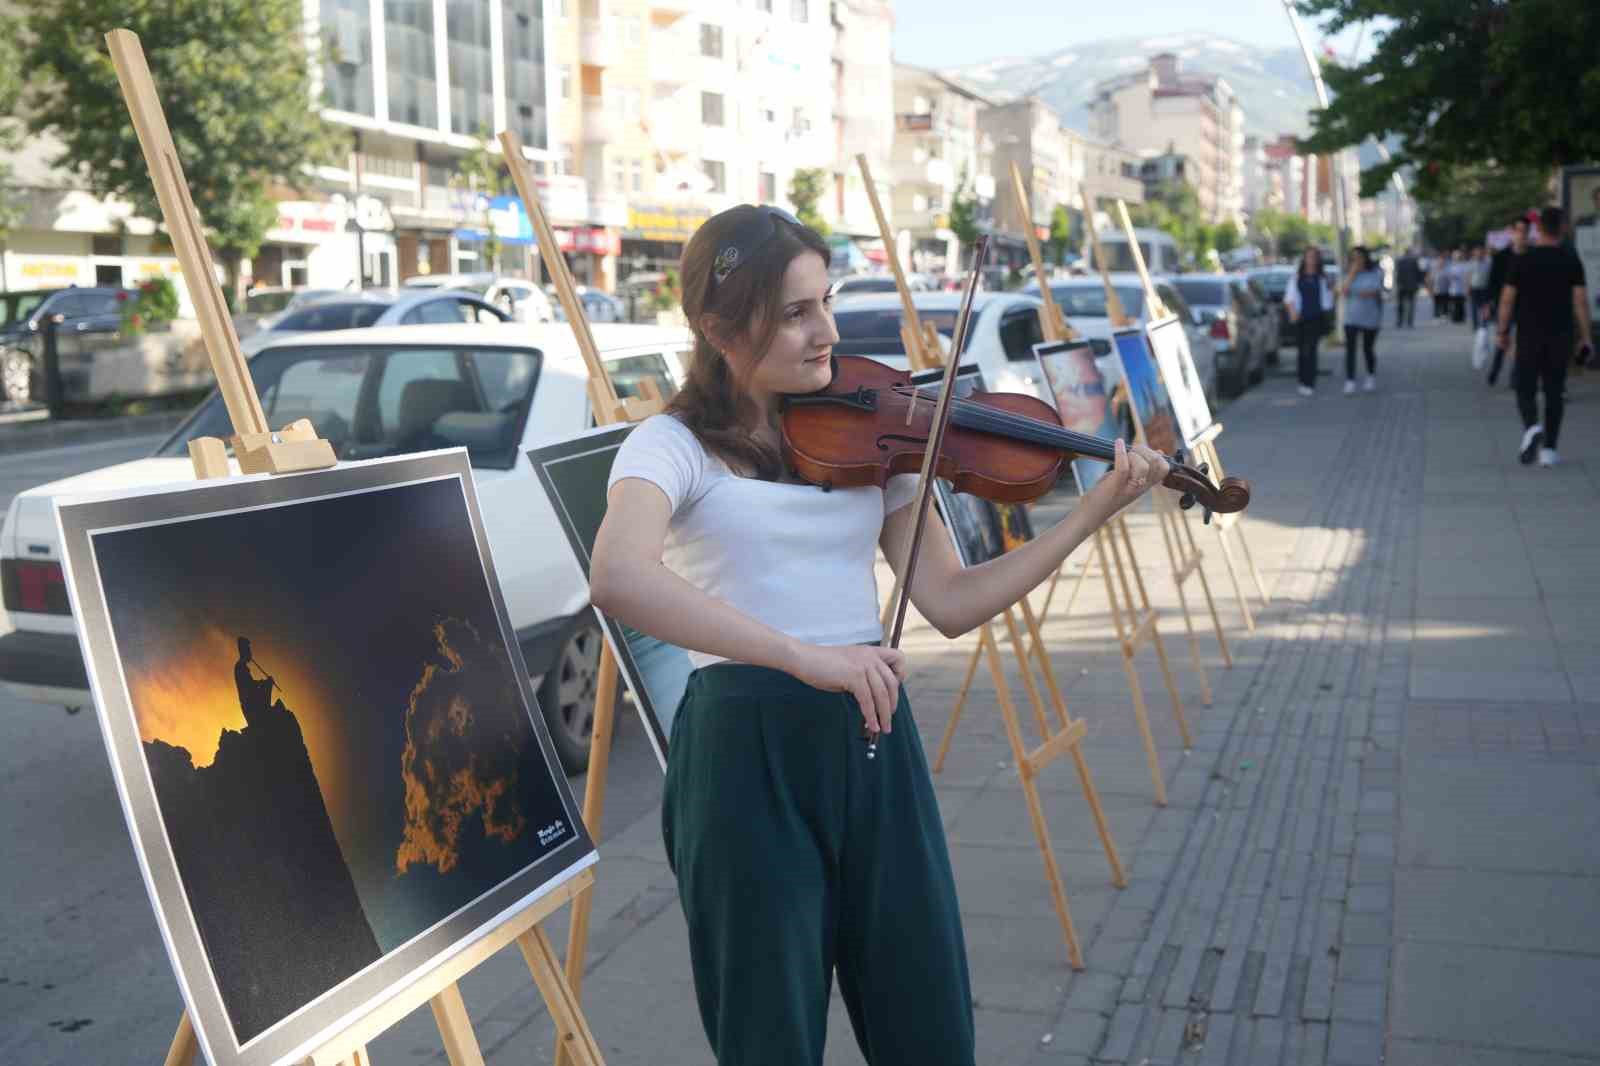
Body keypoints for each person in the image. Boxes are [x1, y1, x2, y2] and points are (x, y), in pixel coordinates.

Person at [588, 204, 1171, 1066]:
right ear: (717, 326)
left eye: (824, 301)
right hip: (746, 754)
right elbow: (619, 574)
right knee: (769, 1030)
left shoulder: (872, 433)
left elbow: (951, 599)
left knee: (926, 1015)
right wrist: (800, 655)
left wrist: (1086, 516)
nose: (826, 331)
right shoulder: (669, 445)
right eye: (793, 313)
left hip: (872, 739)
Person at [1497, 206, 1594, 467]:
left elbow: (1507, 300)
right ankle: (1550, 449)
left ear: (1538, 229)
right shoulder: (1570, 259)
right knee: (1554, 391)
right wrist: (1586, 337)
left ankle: (1531, 427)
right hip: (1561, 334)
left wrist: (1502, 332)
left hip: (1529, 334)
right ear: (1562, 228)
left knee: (1524, 387)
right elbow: (1580, 301)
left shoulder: (1522, 260)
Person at [1485, 217, 1530, 385]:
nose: (1521, 235)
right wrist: (1489, 303)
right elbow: (1492, 281)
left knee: (1521, 340)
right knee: (1503, 337)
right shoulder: (1502, 256)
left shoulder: (1532, 255)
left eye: (1525, 231)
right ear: (1512, 232)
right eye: (1518, 230)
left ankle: (1515, 375)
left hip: (1526, 305)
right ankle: (1495, 369)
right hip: (1504, 304)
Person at [1284, 246, 1333, 397]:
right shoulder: (1297, 277)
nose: (1311, 259)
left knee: (1311, 350)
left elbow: (1328, 301)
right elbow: (1289, 298)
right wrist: (1292, 312)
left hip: (1316, 317)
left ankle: (1310, 382)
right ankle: (1302, 380)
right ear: (1304, 258)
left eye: (1314, 257)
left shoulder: (1322, 277)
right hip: (1301, 317)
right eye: (1308, 256)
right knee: (1301, 350)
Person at [1341, 246, 1384, 393]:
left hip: (1370, 317)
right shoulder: (1348, 273)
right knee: (1350, 350)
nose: (1357, 260)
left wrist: (1355, 291)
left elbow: (1373, 291)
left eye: (1359, 257)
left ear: (1365, 258)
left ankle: (1371, 376)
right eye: (1354, 258)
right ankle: (1350, 380)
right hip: (1351, 318)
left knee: (1368, 348)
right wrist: (1352, 274)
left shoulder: (1375, 272)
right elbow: (1344, 291)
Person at [1394, 247, 1422, 328]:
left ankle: (1400, 321)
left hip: (1402, 285)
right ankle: (1410, 322)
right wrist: (1418, 283)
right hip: (1412, 285)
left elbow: (1398, 274)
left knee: (1401, 304)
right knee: (1411, 304)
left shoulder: (1400, 261)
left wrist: (1398, 283)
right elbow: (1418, 273)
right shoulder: (1414, 261)